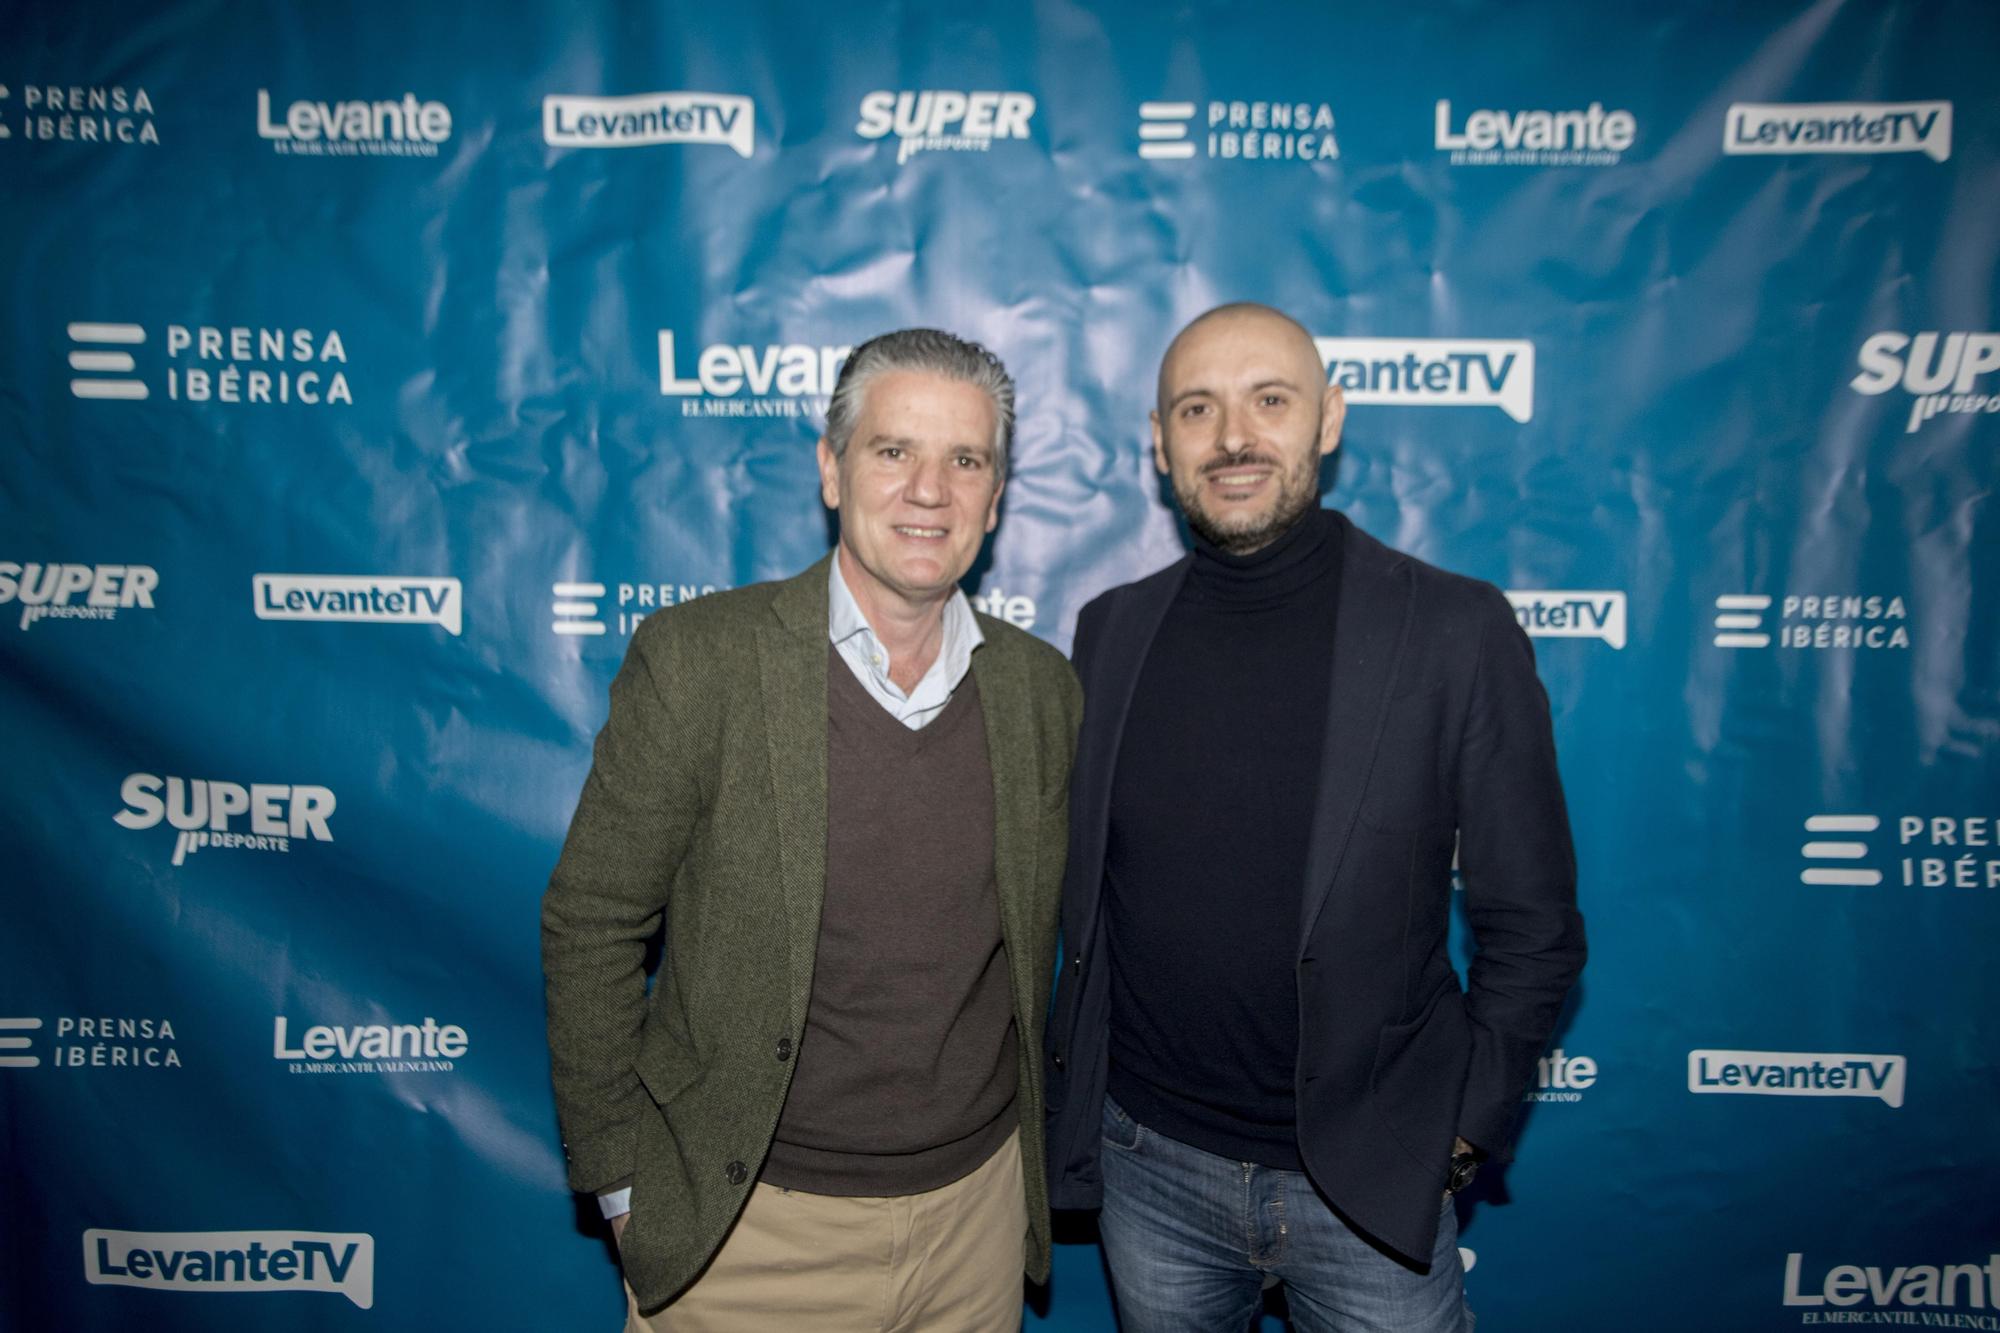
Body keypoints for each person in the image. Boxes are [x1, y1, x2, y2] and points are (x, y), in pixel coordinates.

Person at [1043, 302, 1585, 1331]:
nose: (1233, 436)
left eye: (1269, 400)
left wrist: (1458, 1132)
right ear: (1158, 445)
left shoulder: (1454, 629)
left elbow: (1534, 927)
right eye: (1196, 409)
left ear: (1327, 420)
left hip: (1366, 1179)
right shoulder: (1107, 632)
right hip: (1148, 1170)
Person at [543, 328, 1082, 1331]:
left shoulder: (1040, 689)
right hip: (749, 1236)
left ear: (996, 496)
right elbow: (591, 920)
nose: (929, 490)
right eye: (892, 452)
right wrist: (619, 1185)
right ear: (831, 471)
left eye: (964, 460)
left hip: (973, 1224)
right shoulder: (699, 660)